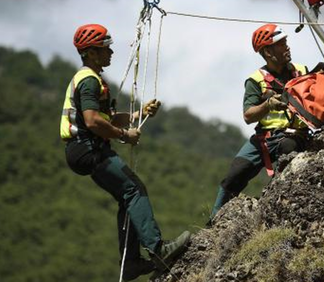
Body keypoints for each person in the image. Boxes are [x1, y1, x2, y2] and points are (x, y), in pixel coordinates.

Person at [61, 23, 190, 281]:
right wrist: (124, 136)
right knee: (134, 189)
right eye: (104, 48)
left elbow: (106, 117)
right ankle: (157, 250)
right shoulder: (89, 82)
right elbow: (93, 121)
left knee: (126, 196)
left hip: (82, 150)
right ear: (90, 53)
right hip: (88, 148)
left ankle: (131, 263)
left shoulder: (90, 79)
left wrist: (138, 115)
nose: (110, 52)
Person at [210, 24, 309, 219]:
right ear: (268, 52)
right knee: (234, 175)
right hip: (264, 137)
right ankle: (214, 221)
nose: (287, 47)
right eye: (281, 44)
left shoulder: (301, 71)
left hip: (293, 135)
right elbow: (248, 115)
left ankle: (280, 209)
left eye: (285, 43)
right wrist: (268, 105)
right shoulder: (255, 80)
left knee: (288, 152)